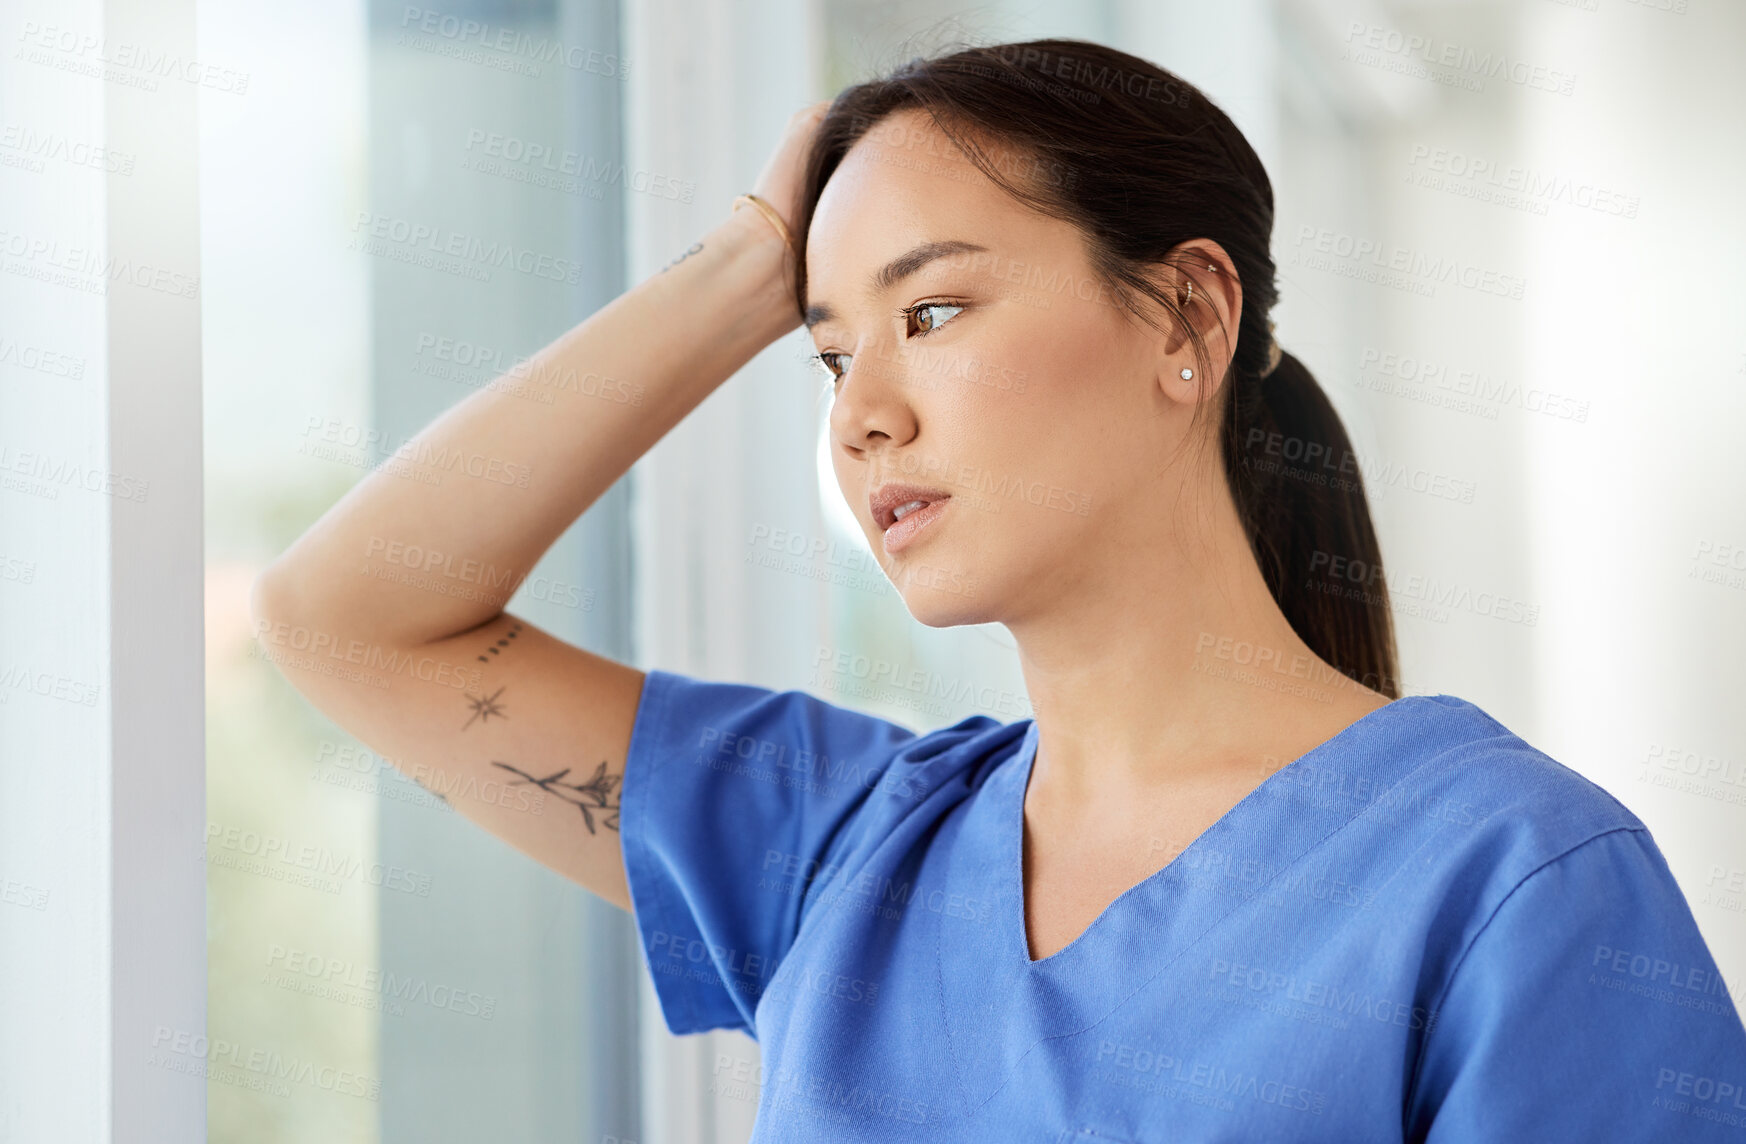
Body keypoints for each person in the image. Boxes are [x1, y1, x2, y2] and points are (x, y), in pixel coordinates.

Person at [253, 38, 1746, 1143]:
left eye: (936, 308)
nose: (860, 415)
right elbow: (349, 616)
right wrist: (731, 275)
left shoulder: (1514, 886)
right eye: (832, 353)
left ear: (1189, 312)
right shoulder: (839, 852)